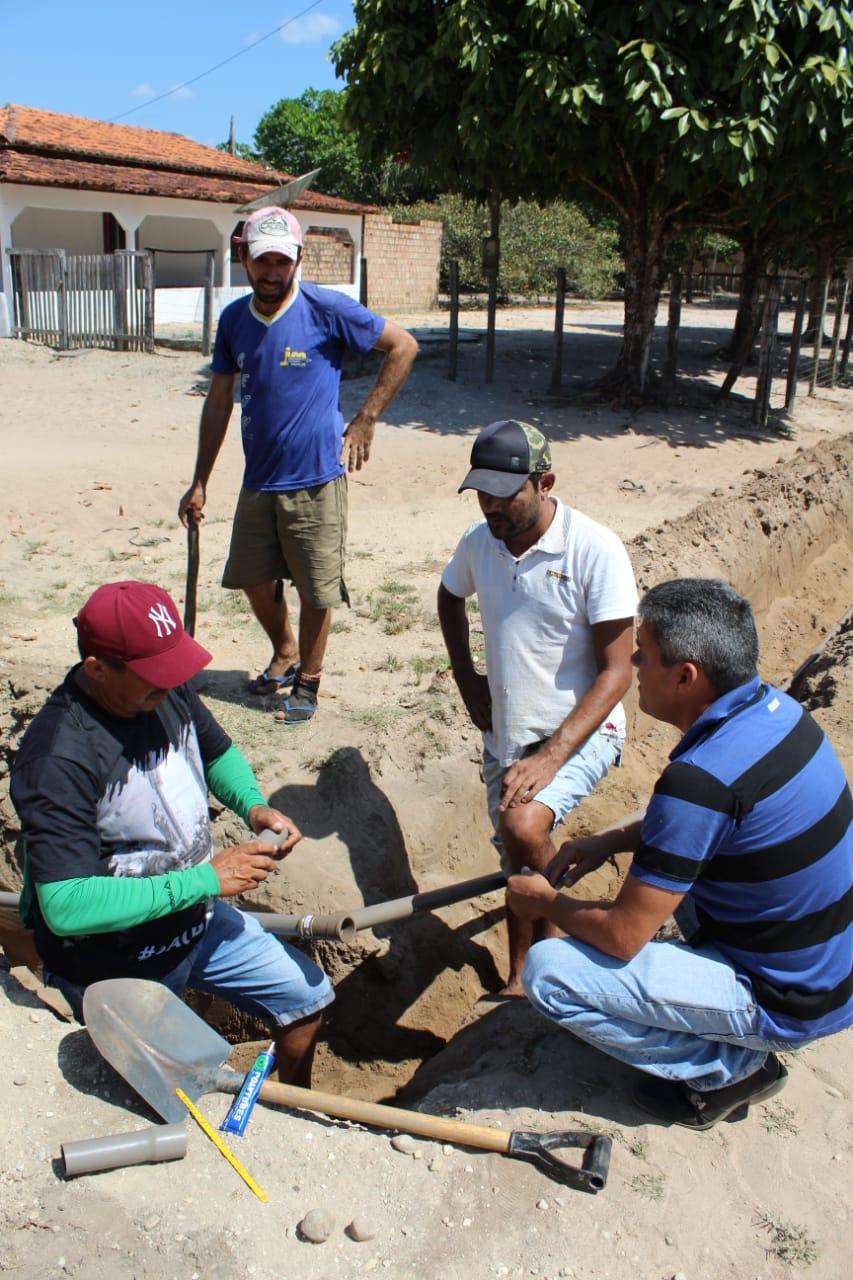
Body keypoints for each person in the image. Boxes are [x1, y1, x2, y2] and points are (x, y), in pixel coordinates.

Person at [512, 578, 853, 1128]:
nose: (635, 668)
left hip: (787, 1000)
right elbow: (716, 822)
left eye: (643, 656)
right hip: (829, 970)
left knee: (549, 973)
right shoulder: (781, 714)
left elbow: (623, 937)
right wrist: (613, 841)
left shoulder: (696, 782)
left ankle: (731, 1070)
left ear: (686, 676)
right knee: (670, 886)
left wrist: (545, 903)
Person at [10, 580, 334, 1086]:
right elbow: (66, 904)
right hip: (113, 964)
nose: (169, 685)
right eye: (153, 679)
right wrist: (204, 880)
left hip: (195, 923)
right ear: (97, 669)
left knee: (305, 999)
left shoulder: (159, 680)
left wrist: (253, 807)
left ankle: (297, 1113)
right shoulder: (58, 757)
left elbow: (215, 750)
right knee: (179, 1088)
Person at [178, 206, 418, 724]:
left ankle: (307, 682)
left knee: (316, 588)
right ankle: (285, 650)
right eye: (260, 261)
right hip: (259, 479)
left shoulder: (327, 309)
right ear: (242, 257)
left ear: (298, 260)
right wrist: (200, 481)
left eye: (280, 262)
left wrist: (366, 416)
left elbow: (403, 345)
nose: (270, 272)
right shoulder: (234, 321)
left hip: (316, 479)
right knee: (249, 576)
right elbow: (219, 401)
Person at [438, 420, 637, 995]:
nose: (490, 506)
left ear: (544, 482)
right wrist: (465, 677)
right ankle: (522, 976)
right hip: (506, 735)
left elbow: (617, 671)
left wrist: (550, 759)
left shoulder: (593, 549)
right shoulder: (480, 543)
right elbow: (449, 596)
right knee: (516, 852)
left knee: (523, 826)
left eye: (505, 493)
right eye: (481, 492)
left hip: (583, 731)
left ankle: (557, 956)